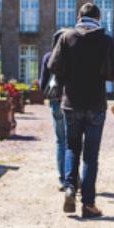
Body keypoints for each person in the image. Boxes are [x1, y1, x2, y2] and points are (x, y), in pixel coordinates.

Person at [46, 2, 114, 218]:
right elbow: (113, 73)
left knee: (72, 148)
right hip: (96, 104)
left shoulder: (67, 37)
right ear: (98, 18)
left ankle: (70, 188)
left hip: (71, 103)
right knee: (91, 156)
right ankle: (88, 204)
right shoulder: (105, 40)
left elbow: (54, 66)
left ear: (79, 16)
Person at [39, 29, 67, 191]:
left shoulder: (48, 57)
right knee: (74, 141)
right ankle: (73, 176)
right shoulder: (73, 56)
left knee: (60, 141)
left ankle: (63, 178)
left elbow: (43, 84)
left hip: (56, 102)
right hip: (72, 102)